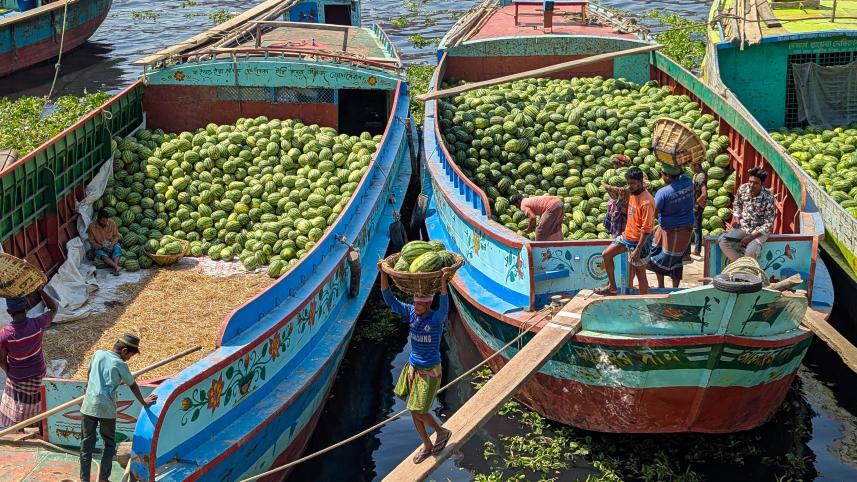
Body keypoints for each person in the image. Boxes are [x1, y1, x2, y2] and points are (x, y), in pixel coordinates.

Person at [378, 262, 454, 464]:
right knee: (414, 409)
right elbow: (389, 298)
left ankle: (442, 431)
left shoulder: (436, 319)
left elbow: (444, 302)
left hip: (429, 370)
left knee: (417, 410)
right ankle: (427, 444)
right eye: (415, 303)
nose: (416, 307)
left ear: (428, 305)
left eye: (420, 305)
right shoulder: (411, 312)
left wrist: (444, 280)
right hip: (413, 367)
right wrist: (382, 273)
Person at [80, 333, 157, 482]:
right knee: (108, 445)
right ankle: (103, 479)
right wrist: (143, 401)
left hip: (88, 406)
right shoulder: (120, 364)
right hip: (106, 409)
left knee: (86, 446)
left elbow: (89, 374)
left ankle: (84, 479)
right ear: (124, 351)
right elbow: (132, 385)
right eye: (130, 356)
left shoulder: (98, 354)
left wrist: (89, 390)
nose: (129, 359)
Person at [0, 288, 57, 428]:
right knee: (37, 403)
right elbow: (54, 308)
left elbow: (1, 360)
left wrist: (9, 372)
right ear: (26, 307)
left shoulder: (5, 335)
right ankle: (38, 426)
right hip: (39, 373)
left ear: (8, 312)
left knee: (18, 406)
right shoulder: (38, 323)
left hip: (17, 376)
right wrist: (40, 290)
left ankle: (19, 429)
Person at [597, 167, 655, 296]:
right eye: (628, 183)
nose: (630, 186)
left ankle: (644, 302)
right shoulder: (632, 193)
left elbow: (646, 230)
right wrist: (622, 199)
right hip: (626, 237)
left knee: (641, 276)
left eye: (633, 183)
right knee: (606, 255)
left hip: (640, 242)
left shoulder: (647, 202)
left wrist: (638, 249)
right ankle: (612, 287)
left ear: (641, 182)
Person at [648, 163, 696, 288]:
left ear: (668, 176)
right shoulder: (688, 182)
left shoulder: (663, 192)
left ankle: (662, 286)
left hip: (670, 231)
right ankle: (672, 287)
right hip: (686, 230)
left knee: (661, 258)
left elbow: (654, 213)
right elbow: (683, 172)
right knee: (677, 259)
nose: (661, 176)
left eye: (662, 174)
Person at [718, 166, 776, 262]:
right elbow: (737, 204)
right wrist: (737, 220)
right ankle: (740, 264)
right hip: (743, 226)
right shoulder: (743, 188)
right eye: (750, 181)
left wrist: (750, 237)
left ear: (762, 184)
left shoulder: (768, 197)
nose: (752, 185)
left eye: (756, 183)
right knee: (722, 241)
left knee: (750, 251)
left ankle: (746, 268)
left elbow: (768, 223)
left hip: (759, 231)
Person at [88, 209, 123, 275]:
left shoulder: (112, 223)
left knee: (118, 248)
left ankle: (115, 267)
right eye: (103, 221)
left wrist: (112, 245)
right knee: (100, 254)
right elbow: (91, 241)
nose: (106, 222)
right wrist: (102, 247)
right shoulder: (92, 227)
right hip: (100, 247)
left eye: (106, 220)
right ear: (98, 219)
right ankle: (116, 267)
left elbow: (116, 236)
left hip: (111, 245)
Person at [691, 162, 708, 257]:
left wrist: (696, 202)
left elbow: (704, 193)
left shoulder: (700, 176)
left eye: (692, 166)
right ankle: (697, 249)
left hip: (697, 207)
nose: (691, 168)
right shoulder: (699, 175)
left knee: (697, 228)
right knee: (697, 227)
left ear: (697, 165)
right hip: (698, 206)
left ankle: (697, 250)